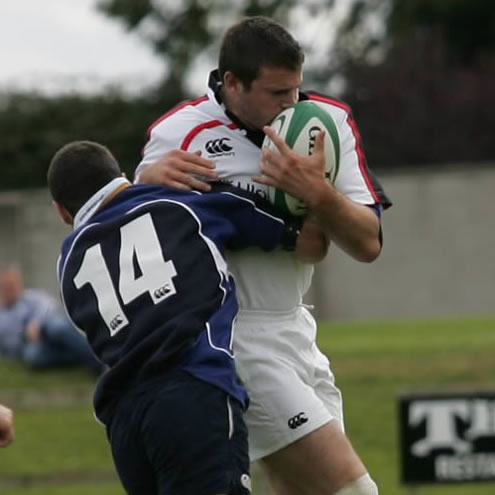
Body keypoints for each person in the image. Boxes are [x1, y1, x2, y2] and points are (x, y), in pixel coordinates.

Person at [135, 16, 392, 495]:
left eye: (295, 88)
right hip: (233, 336)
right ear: (233, 82)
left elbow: (367, 244)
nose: (291, 102)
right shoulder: (179, 134)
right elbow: (133, 236)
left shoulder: (325, 122)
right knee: (353, 490)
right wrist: (143, 186)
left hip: (297, 328)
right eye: (277, 93)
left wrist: (317, 192)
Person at [46, 139, 320, 495]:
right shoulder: (182, 203)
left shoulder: (68, 261)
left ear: (61, 212)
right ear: (120, 174)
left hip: (126, 424)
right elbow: (294, 233)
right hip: (193, 393)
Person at [0, 267, 102, 375]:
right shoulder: (2, 314)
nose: (11, 290)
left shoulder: (31, 297)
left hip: (49, 326)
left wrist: (36, 323)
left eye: (13, 286)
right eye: (7, 287)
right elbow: (9, 345)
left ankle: (97, 358)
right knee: (32, 356)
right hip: (35, 343)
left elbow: (49, 305)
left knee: (56, 328)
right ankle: (82, 356)